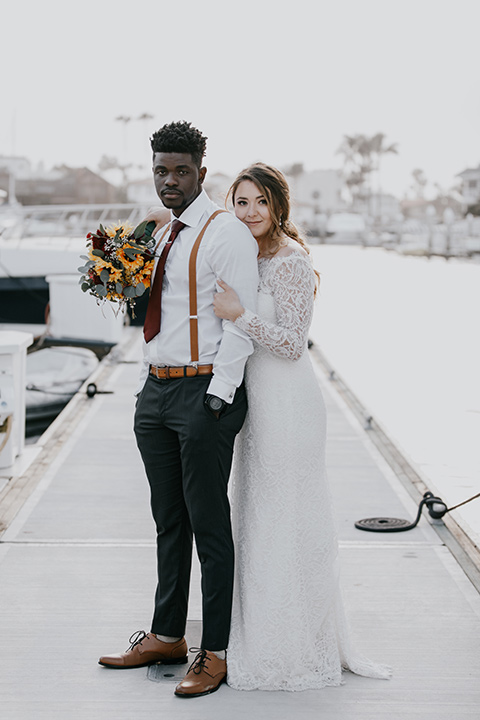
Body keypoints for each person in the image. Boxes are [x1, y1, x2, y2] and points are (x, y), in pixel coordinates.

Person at [213, 163, 392, 691]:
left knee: (288, 517)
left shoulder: (291, 261)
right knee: (259, 517)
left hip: (290, 405)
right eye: (241, 203)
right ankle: (262, 629)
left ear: (278, 207)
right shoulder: (244, 256)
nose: (250, 213)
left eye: (260, 203)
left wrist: (239, 314)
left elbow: (293, 343)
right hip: (257, 406)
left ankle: (293, 644)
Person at [98, 122, 259, 699]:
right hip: (157, 392)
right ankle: (167, 634)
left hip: (202, 395)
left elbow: (239, 321)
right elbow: (158, 308)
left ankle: (213, 652)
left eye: (181, 171)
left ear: (201, 172)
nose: (170, 180)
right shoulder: (162, 234)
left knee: (209, 526)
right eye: (162, 170)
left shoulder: (225, 234)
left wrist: (218, 396)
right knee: (169, 521)